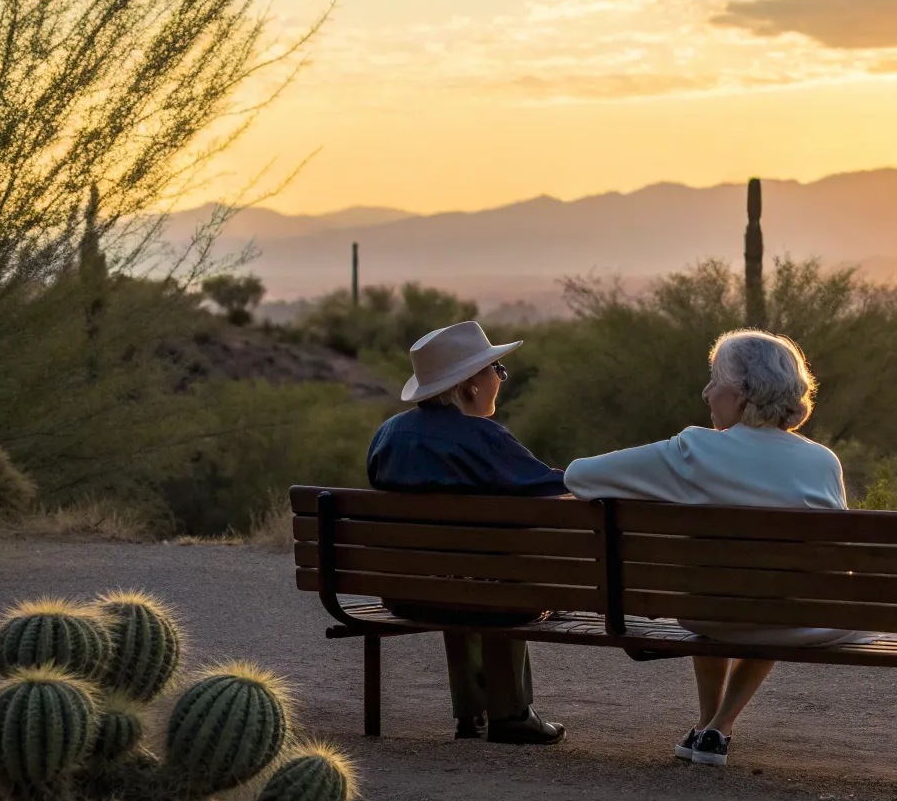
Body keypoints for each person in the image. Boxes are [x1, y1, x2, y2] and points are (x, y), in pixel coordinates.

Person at [563, 329, 856, 768]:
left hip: (708, 611)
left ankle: (708, 727)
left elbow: (578, 477)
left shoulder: (693, 450)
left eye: (714, 380)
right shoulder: (823, 461)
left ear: (739, 394)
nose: (706, 393)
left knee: (725, 593)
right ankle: (718, 727)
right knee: (775, 599)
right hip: (802, 619)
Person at [366, 320, 569, 745]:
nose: (500, 378)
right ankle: (511, 714)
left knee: (459, 576)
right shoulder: (483, 439)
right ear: (470, 386)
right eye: (495, 369)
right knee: (497, 579)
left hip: (406, 591)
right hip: (486, 594)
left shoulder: (388, 436)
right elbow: (554, 488)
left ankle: (471, 713)